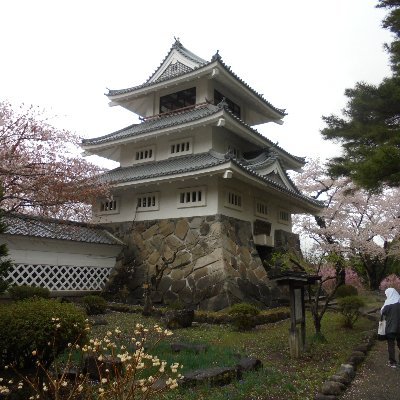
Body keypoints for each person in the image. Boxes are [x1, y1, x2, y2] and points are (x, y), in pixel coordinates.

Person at [381, 287, 400, 368]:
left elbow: (382, 313)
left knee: (391, 345)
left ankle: (392, 362)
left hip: (390, 328)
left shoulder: (387, 304)